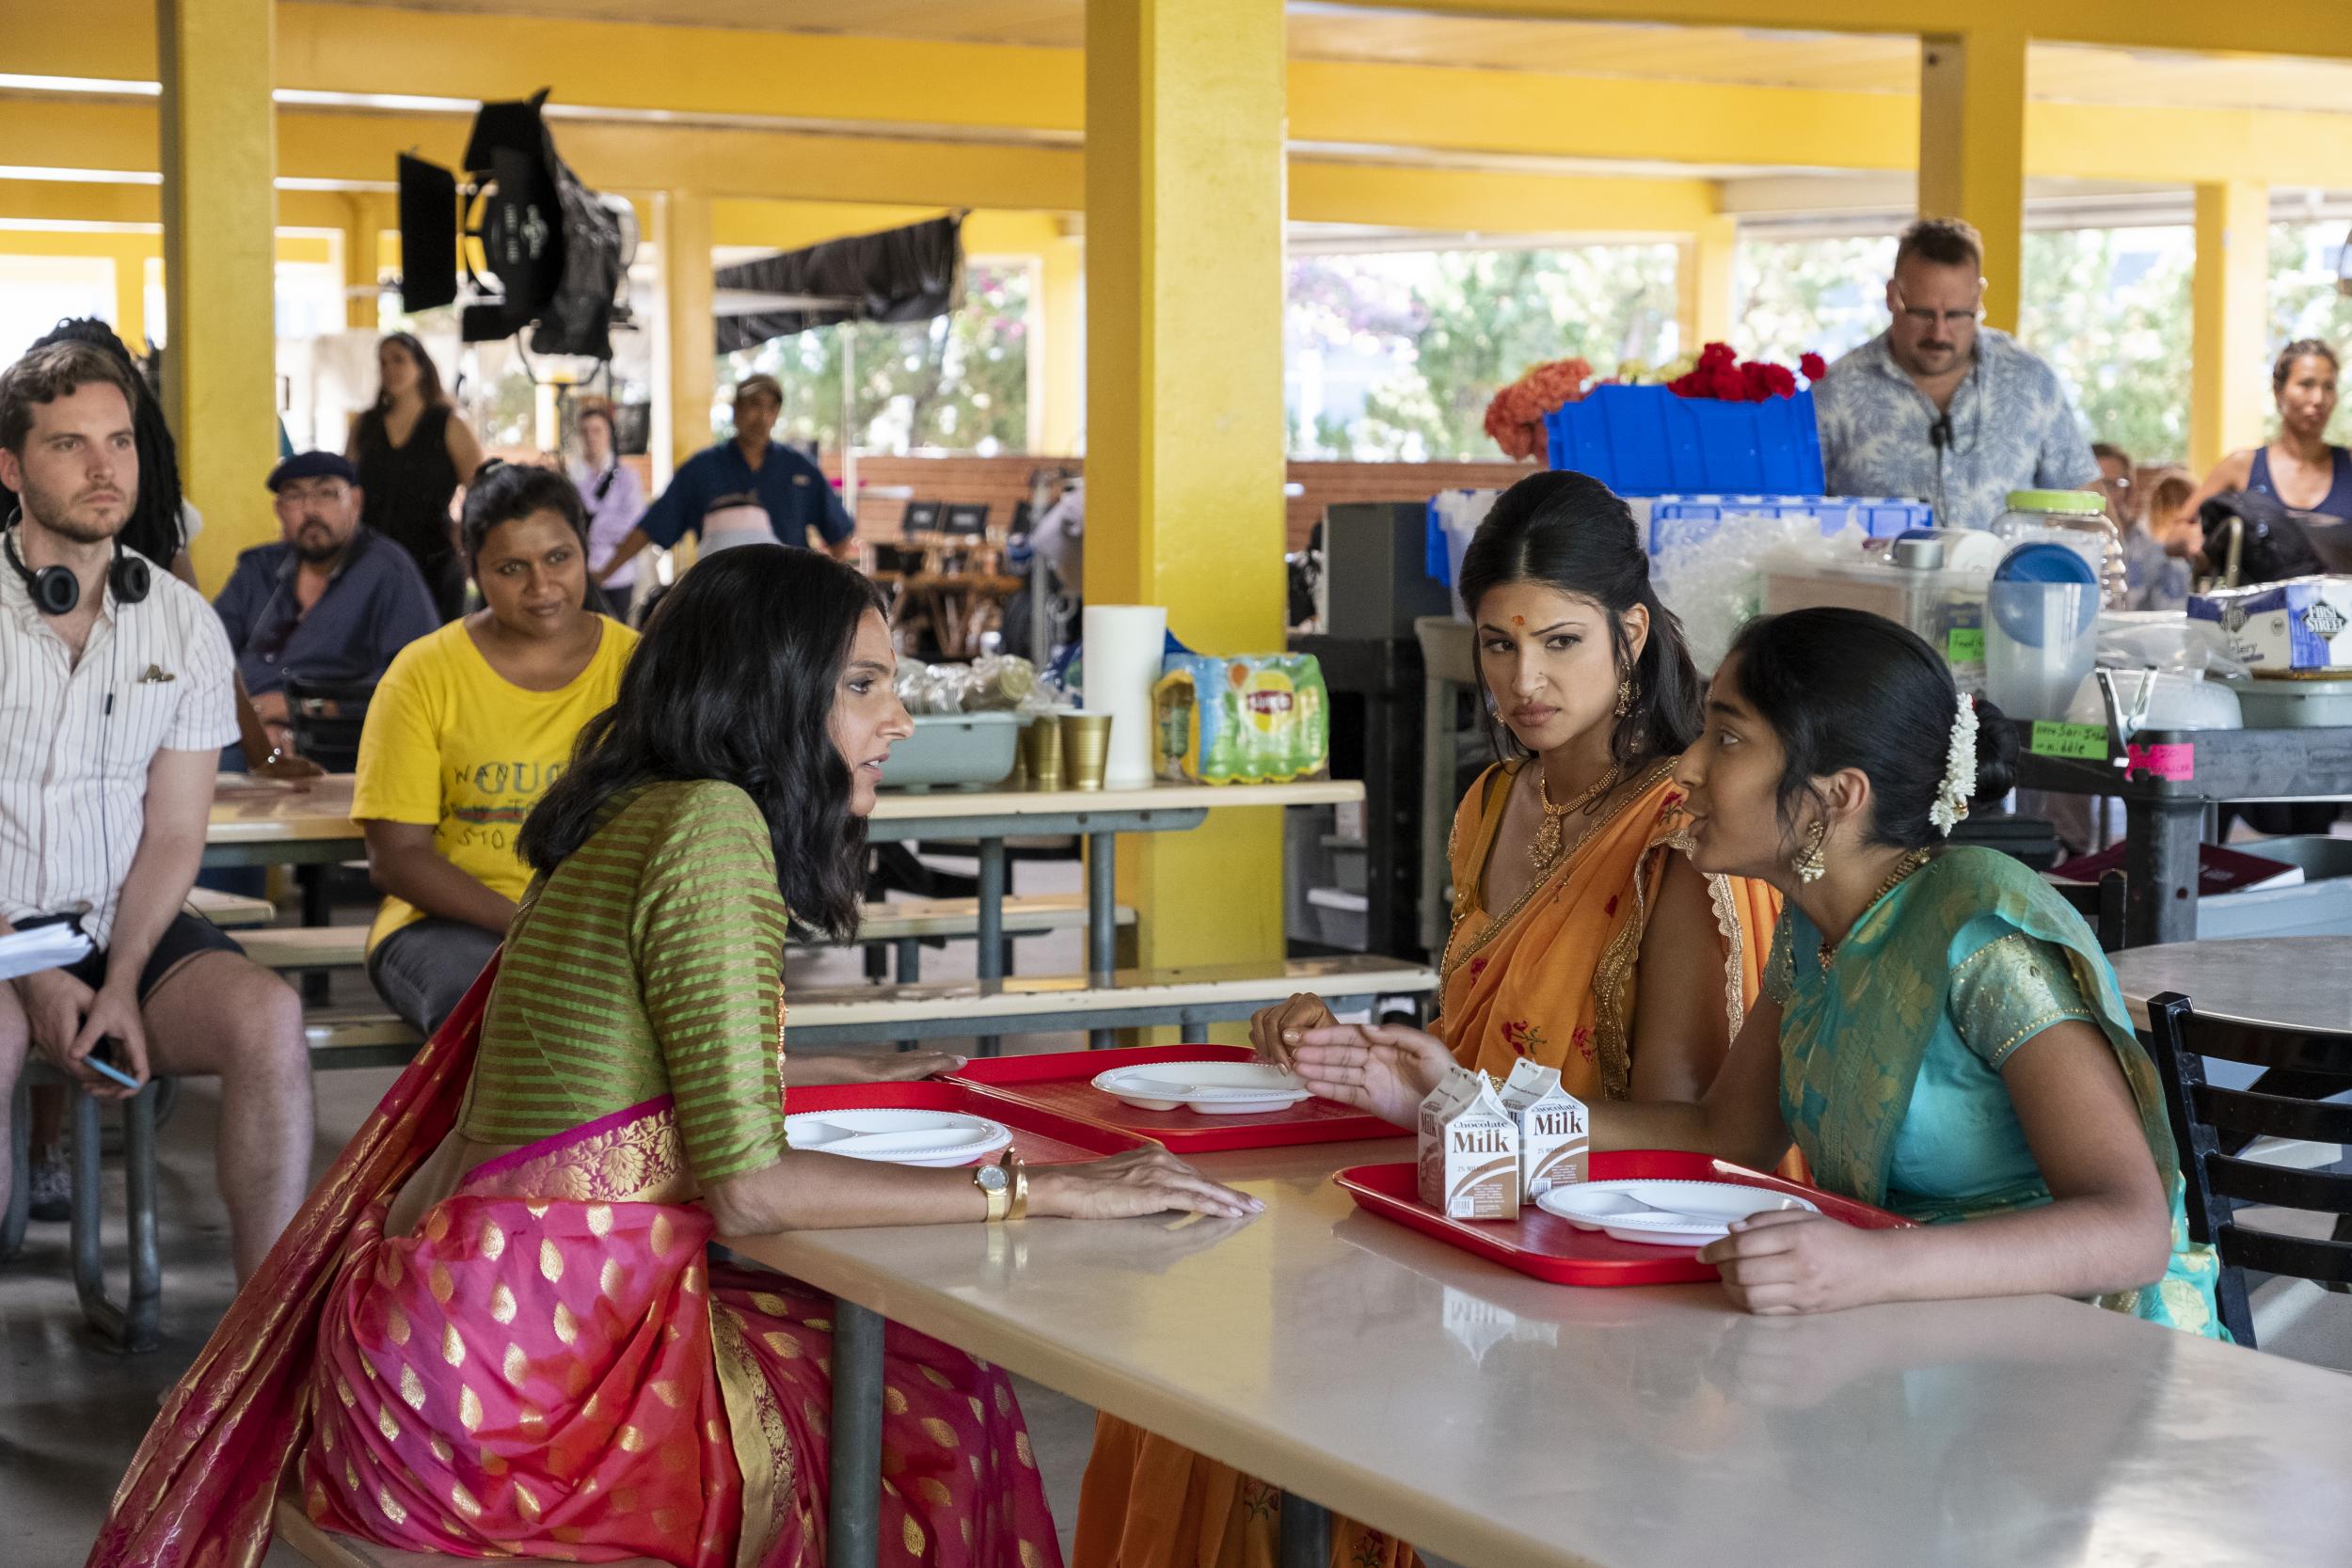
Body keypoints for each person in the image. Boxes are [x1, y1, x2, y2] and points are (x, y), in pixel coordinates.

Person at [89, 546, 1262, 1568]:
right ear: (769, 693)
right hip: (510, 1395)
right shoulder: (711, 828)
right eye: (861, 686)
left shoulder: (627, 807)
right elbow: (748, 1191)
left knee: (883, 1359)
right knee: (933, 1404)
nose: (895, 721)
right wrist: (1042, 1188)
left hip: (437, 1348)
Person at [1074, 470, 1783, 1568]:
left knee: (1278, 1420)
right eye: (1498, 646)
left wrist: (1452, 1093)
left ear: (1631, 632)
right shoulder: (1495, 800)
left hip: (1590, 1261)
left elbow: (1695, 1138)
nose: (1524, 680)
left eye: (1558, 642)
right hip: (1459, 1202)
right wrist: (1352, 1050)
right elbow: (1479, 1052)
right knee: (1186, 1384)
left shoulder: (1679, 843)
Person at [1291, 607, 2224, 1337]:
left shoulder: (1977, 928)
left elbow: (2129, 1228)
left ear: (1833, 797)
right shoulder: (1811, 929)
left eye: (1727, 739)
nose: (1687, 767)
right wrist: (1459, 1095)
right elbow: (1713, 1130)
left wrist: (1873, 1266)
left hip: (2076, 1375)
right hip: (1911, 1339)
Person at [0, 340, 313, 1282]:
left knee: (268, 1019)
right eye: (69, 444)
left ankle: (265, 1349)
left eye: (121, 441)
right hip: (3, 923)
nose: (106, 468)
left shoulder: (182, 623)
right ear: (10, 468)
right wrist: (35, 963)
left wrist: (125, 974)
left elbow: (176, 830)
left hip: (119, 922)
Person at [352, 463, 636, 1040]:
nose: (542, 587)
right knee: (503, 1008)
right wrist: (531, 925)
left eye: (559, 557)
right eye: (512, 568)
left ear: (584, 550)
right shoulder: (423, 674)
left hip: (607, 923)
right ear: (472, 567)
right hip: (447, 926)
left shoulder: (640, 670)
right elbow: (397, 857)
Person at [1813, 218, 2099, 531]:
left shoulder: (2030, 381)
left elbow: (2086, 507)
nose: (1939, 332)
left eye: (1957, 314)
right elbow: (1799, 526)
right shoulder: (1835, 391)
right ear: (1892, 295)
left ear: (1978, 297)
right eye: (1922, 313)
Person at [211, 451, 438, 759]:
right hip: (238, 727)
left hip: (334, 740)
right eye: (295, 497)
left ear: (355, 502)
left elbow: (415, 680)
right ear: (279, 510)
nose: (310, 510)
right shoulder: (258, 568)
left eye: (326, 494)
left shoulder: (388, 572)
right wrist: (252, 724)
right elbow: (208, 653)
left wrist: (298, 710)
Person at [593, 374, 855, 587]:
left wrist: (828, 591)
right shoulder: (701, 468)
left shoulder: (800, 469)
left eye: (771, 407)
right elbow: (652, 526)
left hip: (787, 598)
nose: (762, 417)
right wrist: (603, 575)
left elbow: (839, 532)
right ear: (735, 409)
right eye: (754, 405)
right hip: (721, 599)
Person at [347, 332, 485, 622]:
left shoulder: (450, 424)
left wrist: (465, 529)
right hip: (371, 557)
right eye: (383, 362)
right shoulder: (365, 425)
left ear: (420, 365)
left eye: (399, 360)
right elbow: (345, 486)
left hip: (433, 559)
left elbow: (481, 489)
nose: (390, 369)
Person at [2184, 340, 2352, 529]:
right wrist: (2197, 541)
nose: (2318, 398)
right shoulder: (2242, 466)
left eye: (2328, 387)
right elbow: (2178, 529)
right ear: (2278, 392)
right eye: (2306, 384)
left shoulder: (2348, 464)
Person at [567, 396, 645, 622]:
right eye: (585, 431)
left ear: (608, 434)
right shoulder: (571, 478)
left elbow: (631, 527)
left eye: (597, 430)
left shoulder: (627, 477)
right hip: (579, 575)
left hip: (617, 575)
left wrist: (591, 527)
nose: (591, 437)